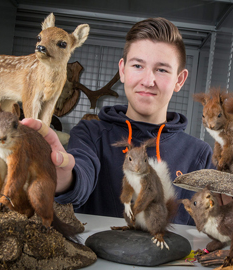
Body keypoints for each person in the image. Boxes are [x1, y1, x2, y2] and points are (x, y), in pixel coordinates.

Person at [22, 17, 214, 225]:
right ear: (122, 70)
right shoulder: (89, 133)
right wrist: (65, 179)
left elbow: (208, 226)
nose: (148, 81)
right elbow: (81, 176)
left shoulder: (200, 155)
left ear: (179, 80)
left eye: (162, 70)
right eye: (138, 65)